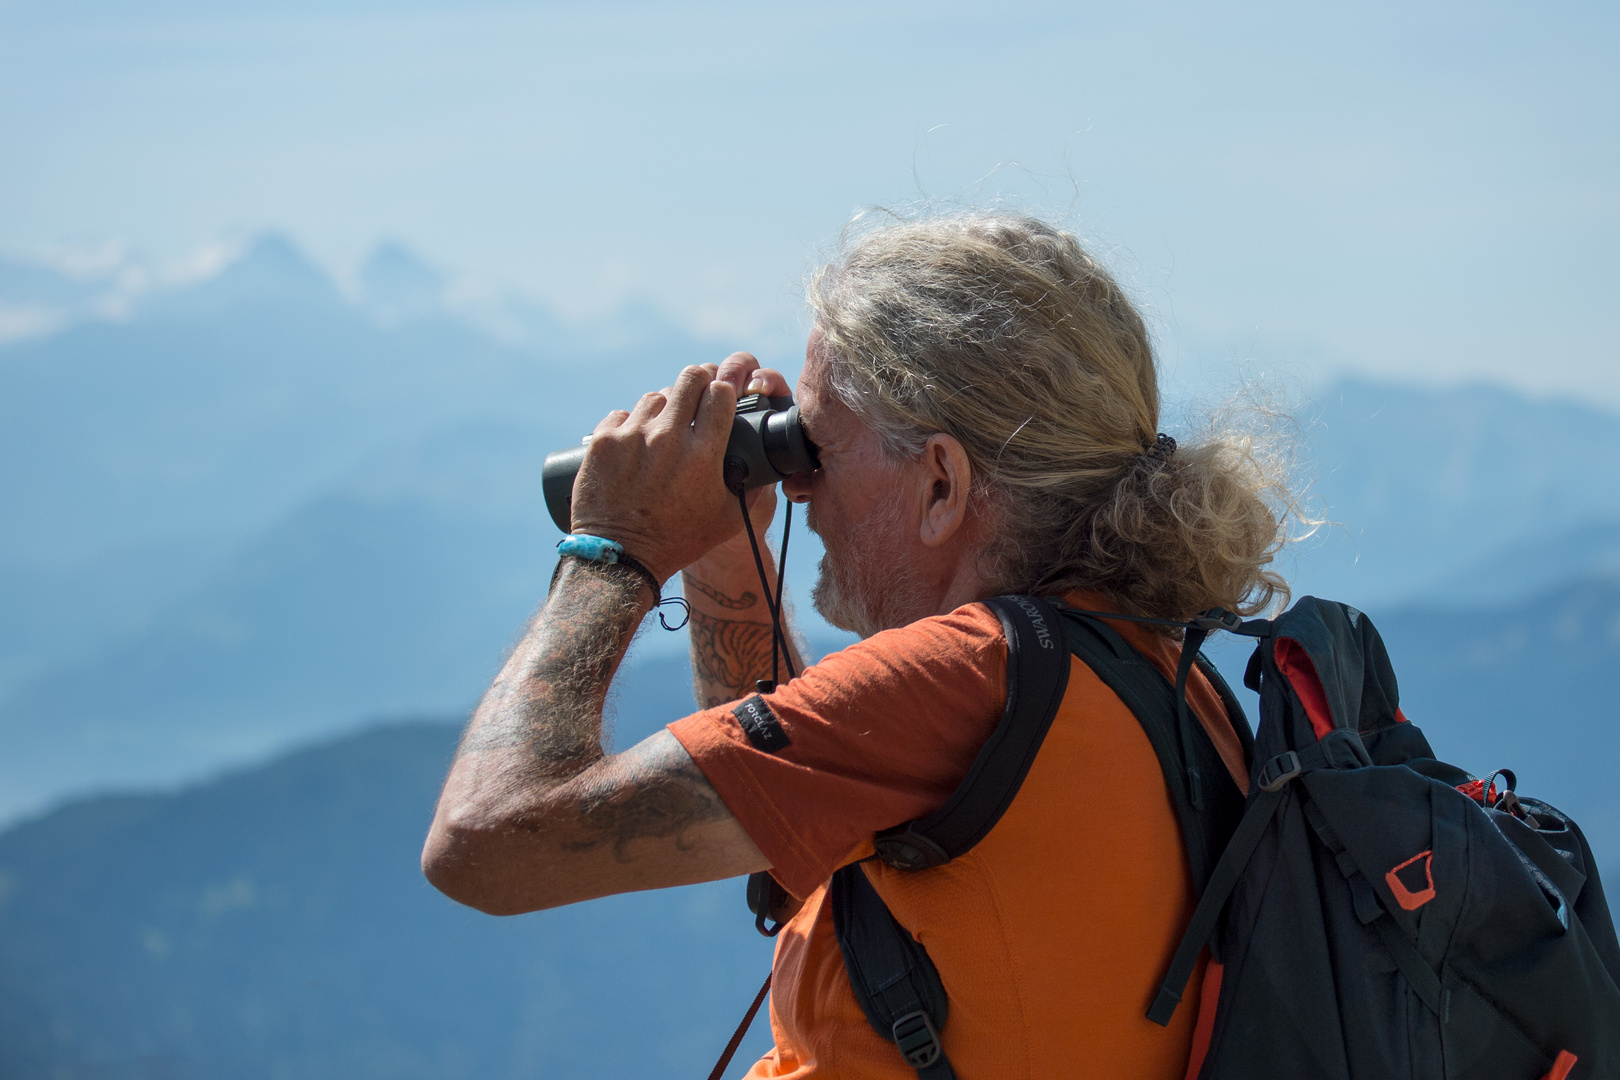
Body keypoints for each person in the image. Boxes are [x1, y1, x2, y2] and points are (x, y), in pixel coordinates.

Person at [422, 212, 1295, 1078]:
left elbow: (485, 844)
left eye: (820, 447)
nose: (797, 485)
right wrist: (730, 550)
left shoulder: (963, 676)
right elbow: (792, 814)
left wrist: (613, 549)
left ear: (942, 485)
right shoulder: (1149, 670)